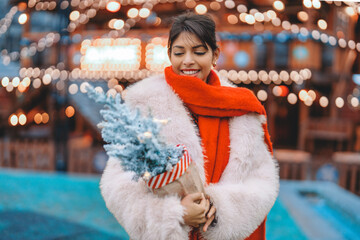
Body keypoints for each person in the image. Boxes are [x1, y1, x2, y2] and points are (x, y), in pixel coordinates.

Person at [100, 13, 279, 240]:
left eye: (199, 52)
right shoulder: (144, 104)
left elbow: (262, 181)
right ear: (169, 55)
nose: (188, 61)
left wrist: (221, 208)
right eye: (179, 52)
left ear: (215, 55)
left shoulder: (242, 108)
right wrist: (175, 215)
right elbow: (118, 183)